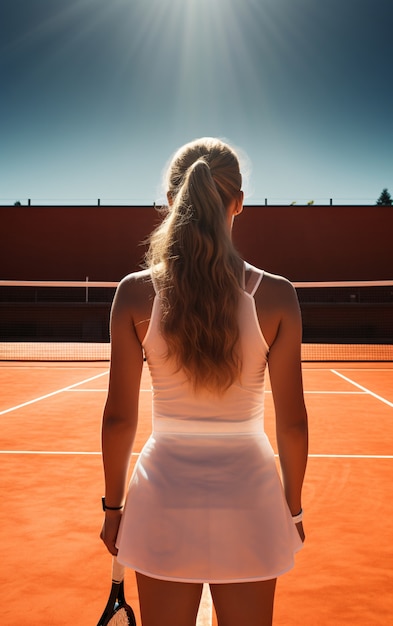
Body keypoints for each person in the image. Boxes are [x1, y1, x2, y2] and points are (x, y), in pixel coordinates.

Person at [100, 137, 308, 626]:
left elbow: (118, 418)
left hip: (162, 498)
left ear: (173, 201)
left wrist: (113, 509)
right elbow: (294, 423)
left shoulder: (133, 295)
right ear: (238, 202)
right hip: (251, 499)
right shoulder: (278, 297)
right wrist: (292, 511)